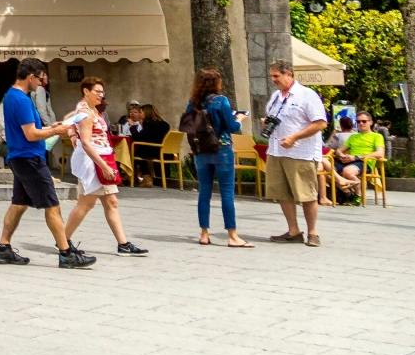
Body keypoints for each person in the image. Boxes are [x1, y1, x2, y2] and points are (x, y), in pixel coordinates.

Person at [0, 57, 91, 269]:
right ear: (30, 76)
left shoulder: (10, 96)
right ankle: (66, 254)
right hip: (30, 159)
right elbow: (31, 134)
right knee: (52, 206)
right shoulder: (22, 100)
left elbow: (29, 129)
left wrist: (52, 127)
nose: (41, 83)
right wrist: (56, 131)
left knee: (18, 204)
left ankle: (3, 248)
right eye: (40, 79)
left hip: (18, 157)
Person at [61, 77, 147, 257]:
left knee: (109, 202)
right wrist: (104, 166)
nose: (101, 95)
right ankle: (63, 241)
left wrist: (72, 133)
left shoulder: (89, 109)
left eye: (102, 92)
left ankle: (122, 244)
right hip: (93, 163)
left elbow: (68, 120)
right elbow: (85, 142)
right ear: (86, 91)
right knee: (86, 204)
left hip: (101, 158)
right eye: (97, 91)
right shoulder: (85, 112)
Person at [180, 67, 249, 247]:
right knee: (226, 192)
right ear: (216, 83)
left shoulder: (193, 103)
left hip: (201, 150)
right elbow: (232, 127)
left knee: (204, 192)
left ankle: (204, 233)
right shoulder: (221, 101)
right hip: (222, 149)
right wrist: (239, 119)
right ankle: (232, 235)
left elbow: (189, 126)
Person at [263, 59, 328, 247]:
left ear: (289, 74)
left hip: (300, 153)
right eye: (271, 76)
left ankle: (313, 233)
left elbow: (320, 123)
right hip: (276, 150)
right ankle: (293, 230)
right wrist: (266, 122)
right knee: (281, 193)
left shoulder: (307, 95)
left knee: (306, 194)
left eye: (276, 76)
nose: (273, 80)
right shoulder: (276, 96)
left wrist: (294, 137)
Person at [336, 112, 385, 198]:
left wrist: (356, 157)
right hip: (350, 161)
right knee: (327, 170)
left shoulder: (377, 136)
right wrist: (342, 155)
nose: (361, 123)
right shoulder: (353, 137)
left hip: (364, 162)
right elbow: (339, 150)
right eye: (358, 122)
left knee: (347, 171)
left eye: (364, 121)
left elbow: (380, 153)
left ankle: (358, 195)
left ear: (371, 122)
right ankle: (348, 193)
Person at [129, 103, 170, 186]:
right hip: (166, 152)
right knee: (140, 149)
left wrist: (132, 127)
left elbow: (138, 138)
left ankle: (145, 177)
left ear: (146, 113)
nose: (139, 114)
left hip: (154, 151)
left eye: (141, 112)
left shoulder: (149, 124)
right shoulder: (164, 124)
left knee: (136, 152)